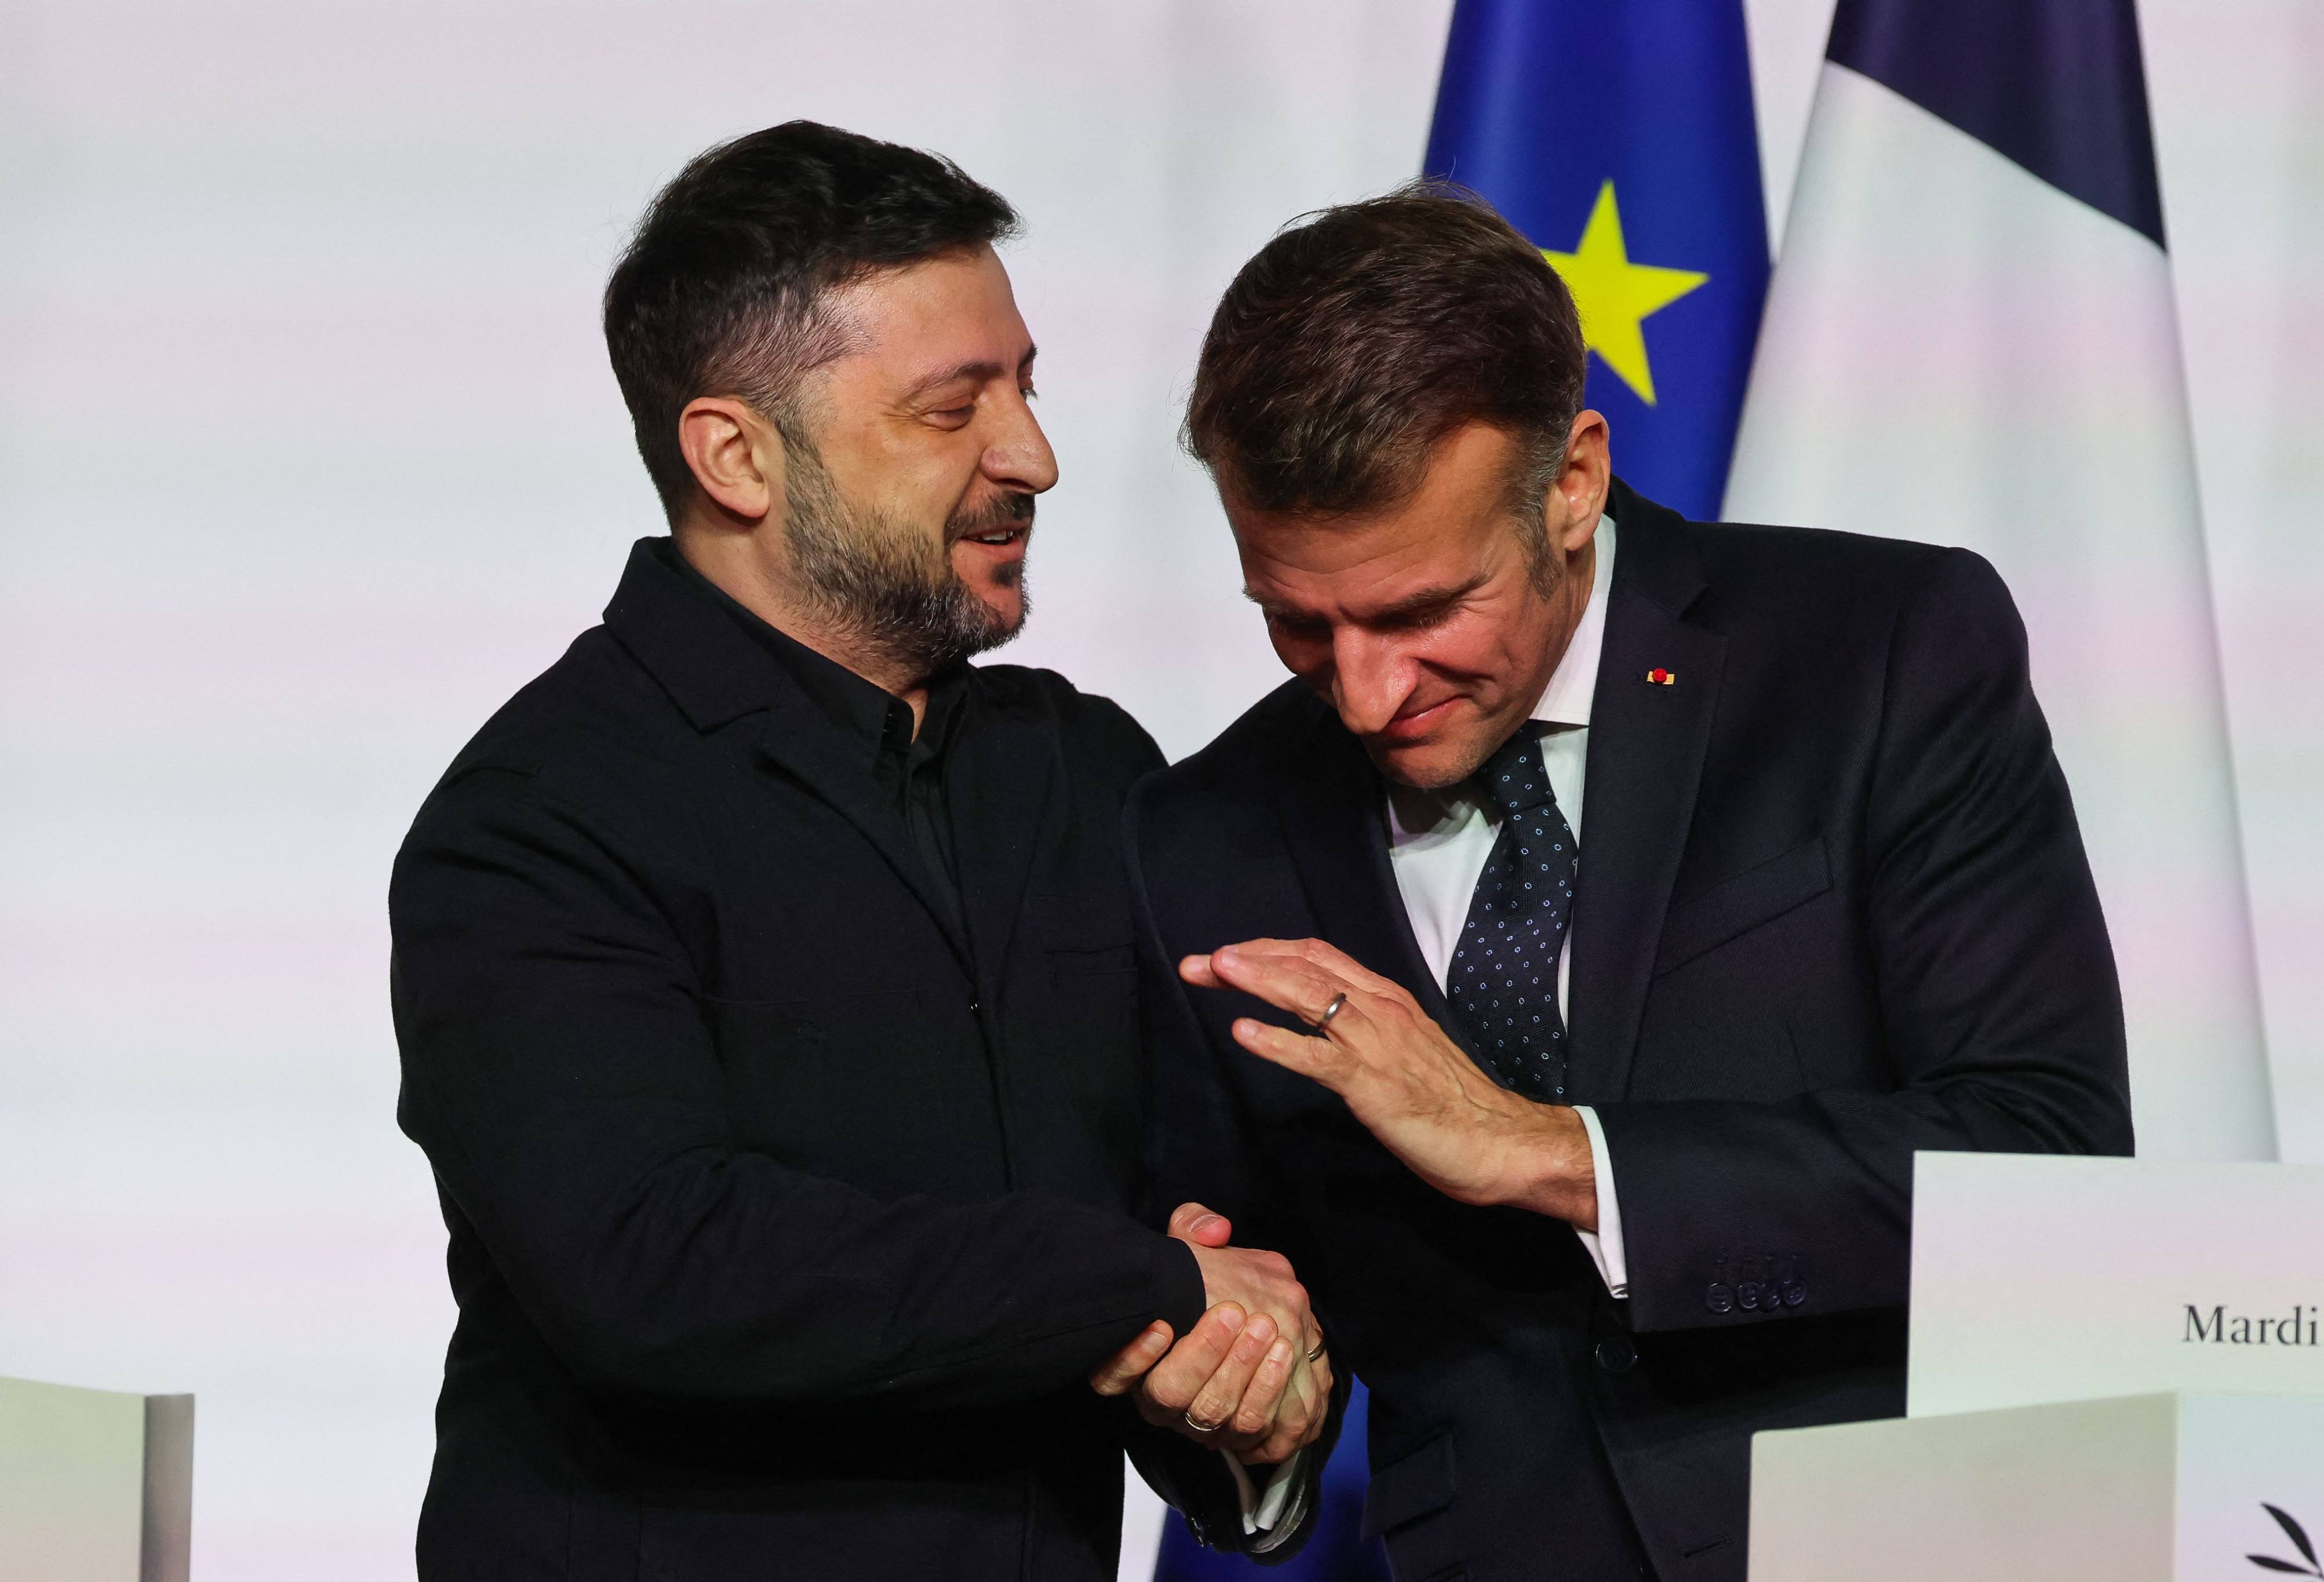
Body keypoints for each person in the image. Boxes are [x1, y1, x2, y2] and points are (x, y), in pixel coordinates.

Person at [1124, 188, 2134, 1581]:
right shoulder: (1201, 833)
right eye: (1296, 620)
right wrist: (1246, 1399)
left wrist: (1547, 1153)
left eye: (1422, 611)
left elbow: (2048, 1162)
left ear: (1572, 481)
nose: (1362, 693)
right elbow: (1250, 1320)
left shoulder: (1877, 654)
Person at [389, 121, 1328, 1582]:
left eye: (1024, 387)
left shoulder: (1084, 771)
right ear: (735, 456)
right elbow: (659, 1265)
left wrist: (1246, 1396)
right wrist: (1131, 1284)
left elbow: (1203, 1220)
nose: (1035, 457)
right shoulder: (535, 820)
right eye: (951, 410)